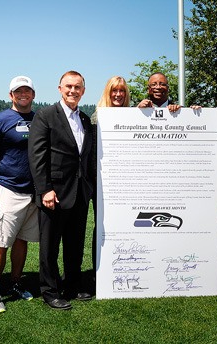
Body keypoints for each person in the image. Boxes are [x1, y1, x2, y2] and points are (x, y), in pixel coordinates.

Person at [29, 70, 94, 310]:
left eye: (77, 87)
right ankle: (50, 291)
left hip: (79, 192)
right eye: (68, 86)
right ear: (59, 88)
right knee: (50, 246)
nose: (72, 91)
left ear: (83, 91)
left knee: (75, 243)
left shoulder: (85, 119)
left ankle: (73, 286)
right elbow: (36, 156)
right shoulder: (45, 116)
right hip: (53, 193)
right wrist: (45, 189)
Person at [0, 76, 40, 313]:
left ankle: (15, 283)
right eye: (18, 91)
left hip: (32, 192)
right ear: (11, 95)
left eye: (27, 90)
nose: (23, 94)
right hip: (7, 189)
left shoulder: (39, 119)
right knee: (0, 243)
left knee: (21, 240)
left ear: (33, 94)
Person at [90, 76, 131, 271]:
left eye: (122, 91)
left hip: (127, 182)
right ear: (108, 92)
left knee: (125, 223)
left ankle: (124, 264)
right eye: (114, 90)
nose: (118, 94)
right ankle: (100, 270)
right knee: (103, 226)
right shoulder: (97, 117)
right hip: (103, 183)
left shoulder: (133, 116)